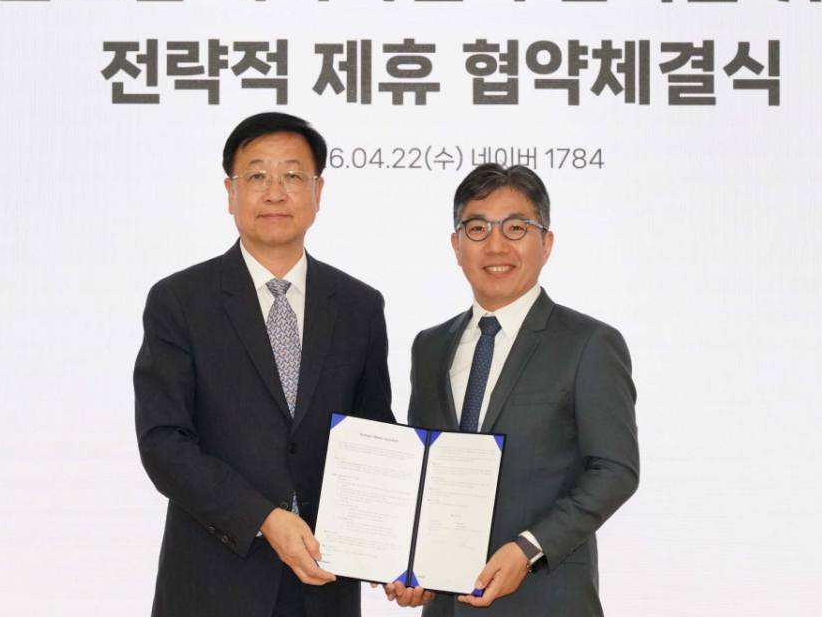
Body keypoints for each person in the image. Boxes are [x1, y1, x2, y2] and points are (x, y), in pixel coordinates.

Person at [134, 112, 394, 617]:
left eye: (292, 175)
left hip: (324, 583)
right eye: (257, 176)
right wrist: (263, 517)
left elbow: (374, 436)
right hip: (214, 584)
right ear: (230, 193)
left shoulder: (359, 305)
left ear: (318, 191)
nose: (275, 192)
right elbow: (163, 442)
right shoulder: (180, 301)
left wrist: (398, 552)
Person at [380, 163, 639, 614]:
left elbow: (615, 469)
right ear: (456, 246)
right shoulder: (429, 346)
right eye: (477, 228)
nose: (496, 245)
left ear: (546, 243)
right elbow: (424, 472)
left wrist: (529, 548)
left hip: (545, 600)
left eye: (516, 227)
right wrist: (408, 563)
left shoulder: (589, 343)